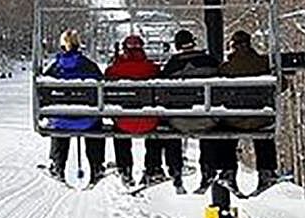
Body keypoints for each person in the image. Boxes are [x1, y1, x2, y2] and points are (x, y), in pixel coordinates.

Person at [217, 30, 278, 194]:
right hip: (260, 117)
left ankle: (228, 171)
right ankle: (267, 171)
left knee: (223, 129)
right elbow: (282, 85)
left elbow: (218, 92)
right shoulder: (264, 63)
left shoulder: (226, 68)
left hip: (234, 119)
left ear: (233, 46)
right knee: (264, 132)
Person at [159, 29, 220, 192]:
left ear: (177, 46)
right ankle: (208, 170)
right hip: (208, 118)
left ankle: (175, 171)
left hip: (178, 119)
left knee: (170, 132)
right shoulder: (210, 61)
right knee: (209, 130)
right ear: (193, 42)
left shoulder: (171, 66)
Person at [44, 29, 106, 182]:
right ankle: (97, 166)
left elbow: (44, 92)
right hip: (87, 120)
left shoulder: (55, 68)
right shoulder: (90, 66)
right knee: (94, 121)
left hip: (61, 121)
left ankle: (57, 165)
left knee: (60, 120)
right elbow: (102, 89)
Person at [104, 34, 162, 187]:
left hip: (123, 122)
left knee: (119, 128)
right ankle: (153, 168)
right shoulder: (152, 68)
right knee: (157, 125)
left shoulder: (114, 69)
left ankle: (125, 169)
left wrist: (117, 62)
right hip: (149, 121)